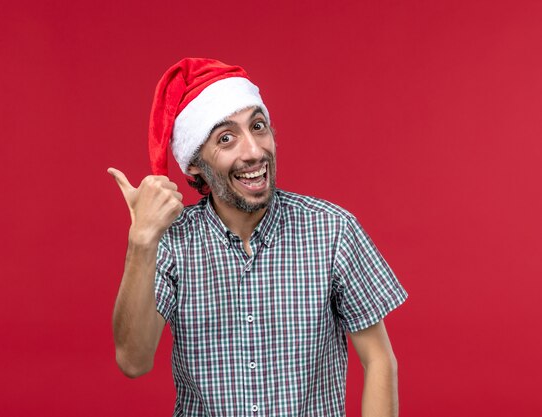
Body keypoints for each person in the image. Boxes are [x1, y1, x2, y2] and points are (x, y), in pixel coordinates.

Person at [108, 58, 408, 417]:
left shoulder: (332, 231)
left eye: (258, 126)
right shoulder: (170, 243)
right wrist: (141, 241)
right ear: (193, 163)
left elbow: (379, 361)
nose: (253, 151)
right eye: (226, 138)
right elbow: (134, 360)